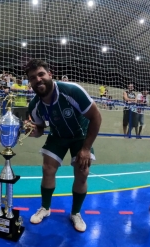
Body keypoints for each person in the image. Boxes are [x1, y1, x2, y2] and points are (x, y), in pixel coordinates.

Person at [25, 59, 102, 232]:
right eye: (32, 78)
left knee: (82, 172)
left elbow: (96, 117)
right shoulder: (34, 105)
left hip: (80, 135)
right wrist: (32, 131)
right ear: (29, 82)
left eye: (41, 74)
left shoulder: (71, 90)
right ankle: (45, 208)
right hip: (57, 135)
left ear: (50, 74)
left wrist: (86, 148)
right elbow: (40, 130)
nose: (38, 79)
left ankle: (75, 213)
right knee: (47, 169)